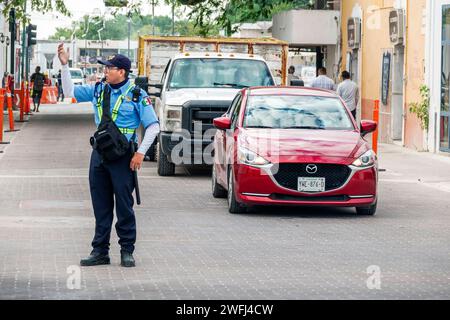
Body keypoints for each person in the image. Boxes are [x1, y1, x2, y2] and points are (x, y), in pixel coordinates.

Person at [58, 43, 160, 268]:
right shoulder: (98, 89)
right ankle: (100, 251)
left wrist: (141, 153)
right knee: (101, 205)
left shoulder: (136, 95)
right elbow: (70, 92)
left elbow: (153, 126)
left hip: (124, 156)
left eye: (109, 68)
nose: (105, 71)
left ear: (121, 71)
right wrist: (64, 66)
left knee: (124, 205)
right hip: (100, 154)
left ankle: (127, 250)